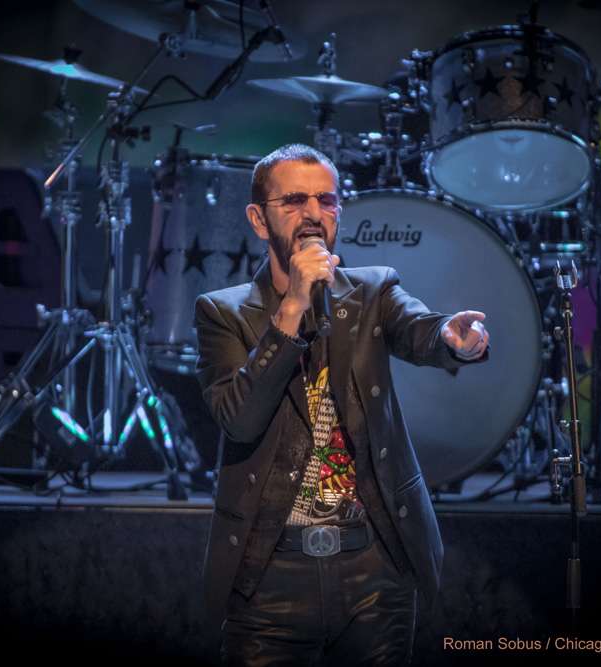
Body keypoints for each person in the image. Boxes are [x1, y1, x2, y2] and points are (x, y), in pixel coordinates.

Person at [194, 144, 489, 666]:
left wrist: (451, 337)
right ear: (259, 220)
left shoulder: (374, 291)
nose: (313, 214)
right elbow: (238, 419)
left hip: (374, 569)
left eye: (326, 201)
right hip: (269, 576)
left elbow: (419, 328)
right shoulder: (223, 313)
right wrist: (292, 308)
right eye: (294, 201)